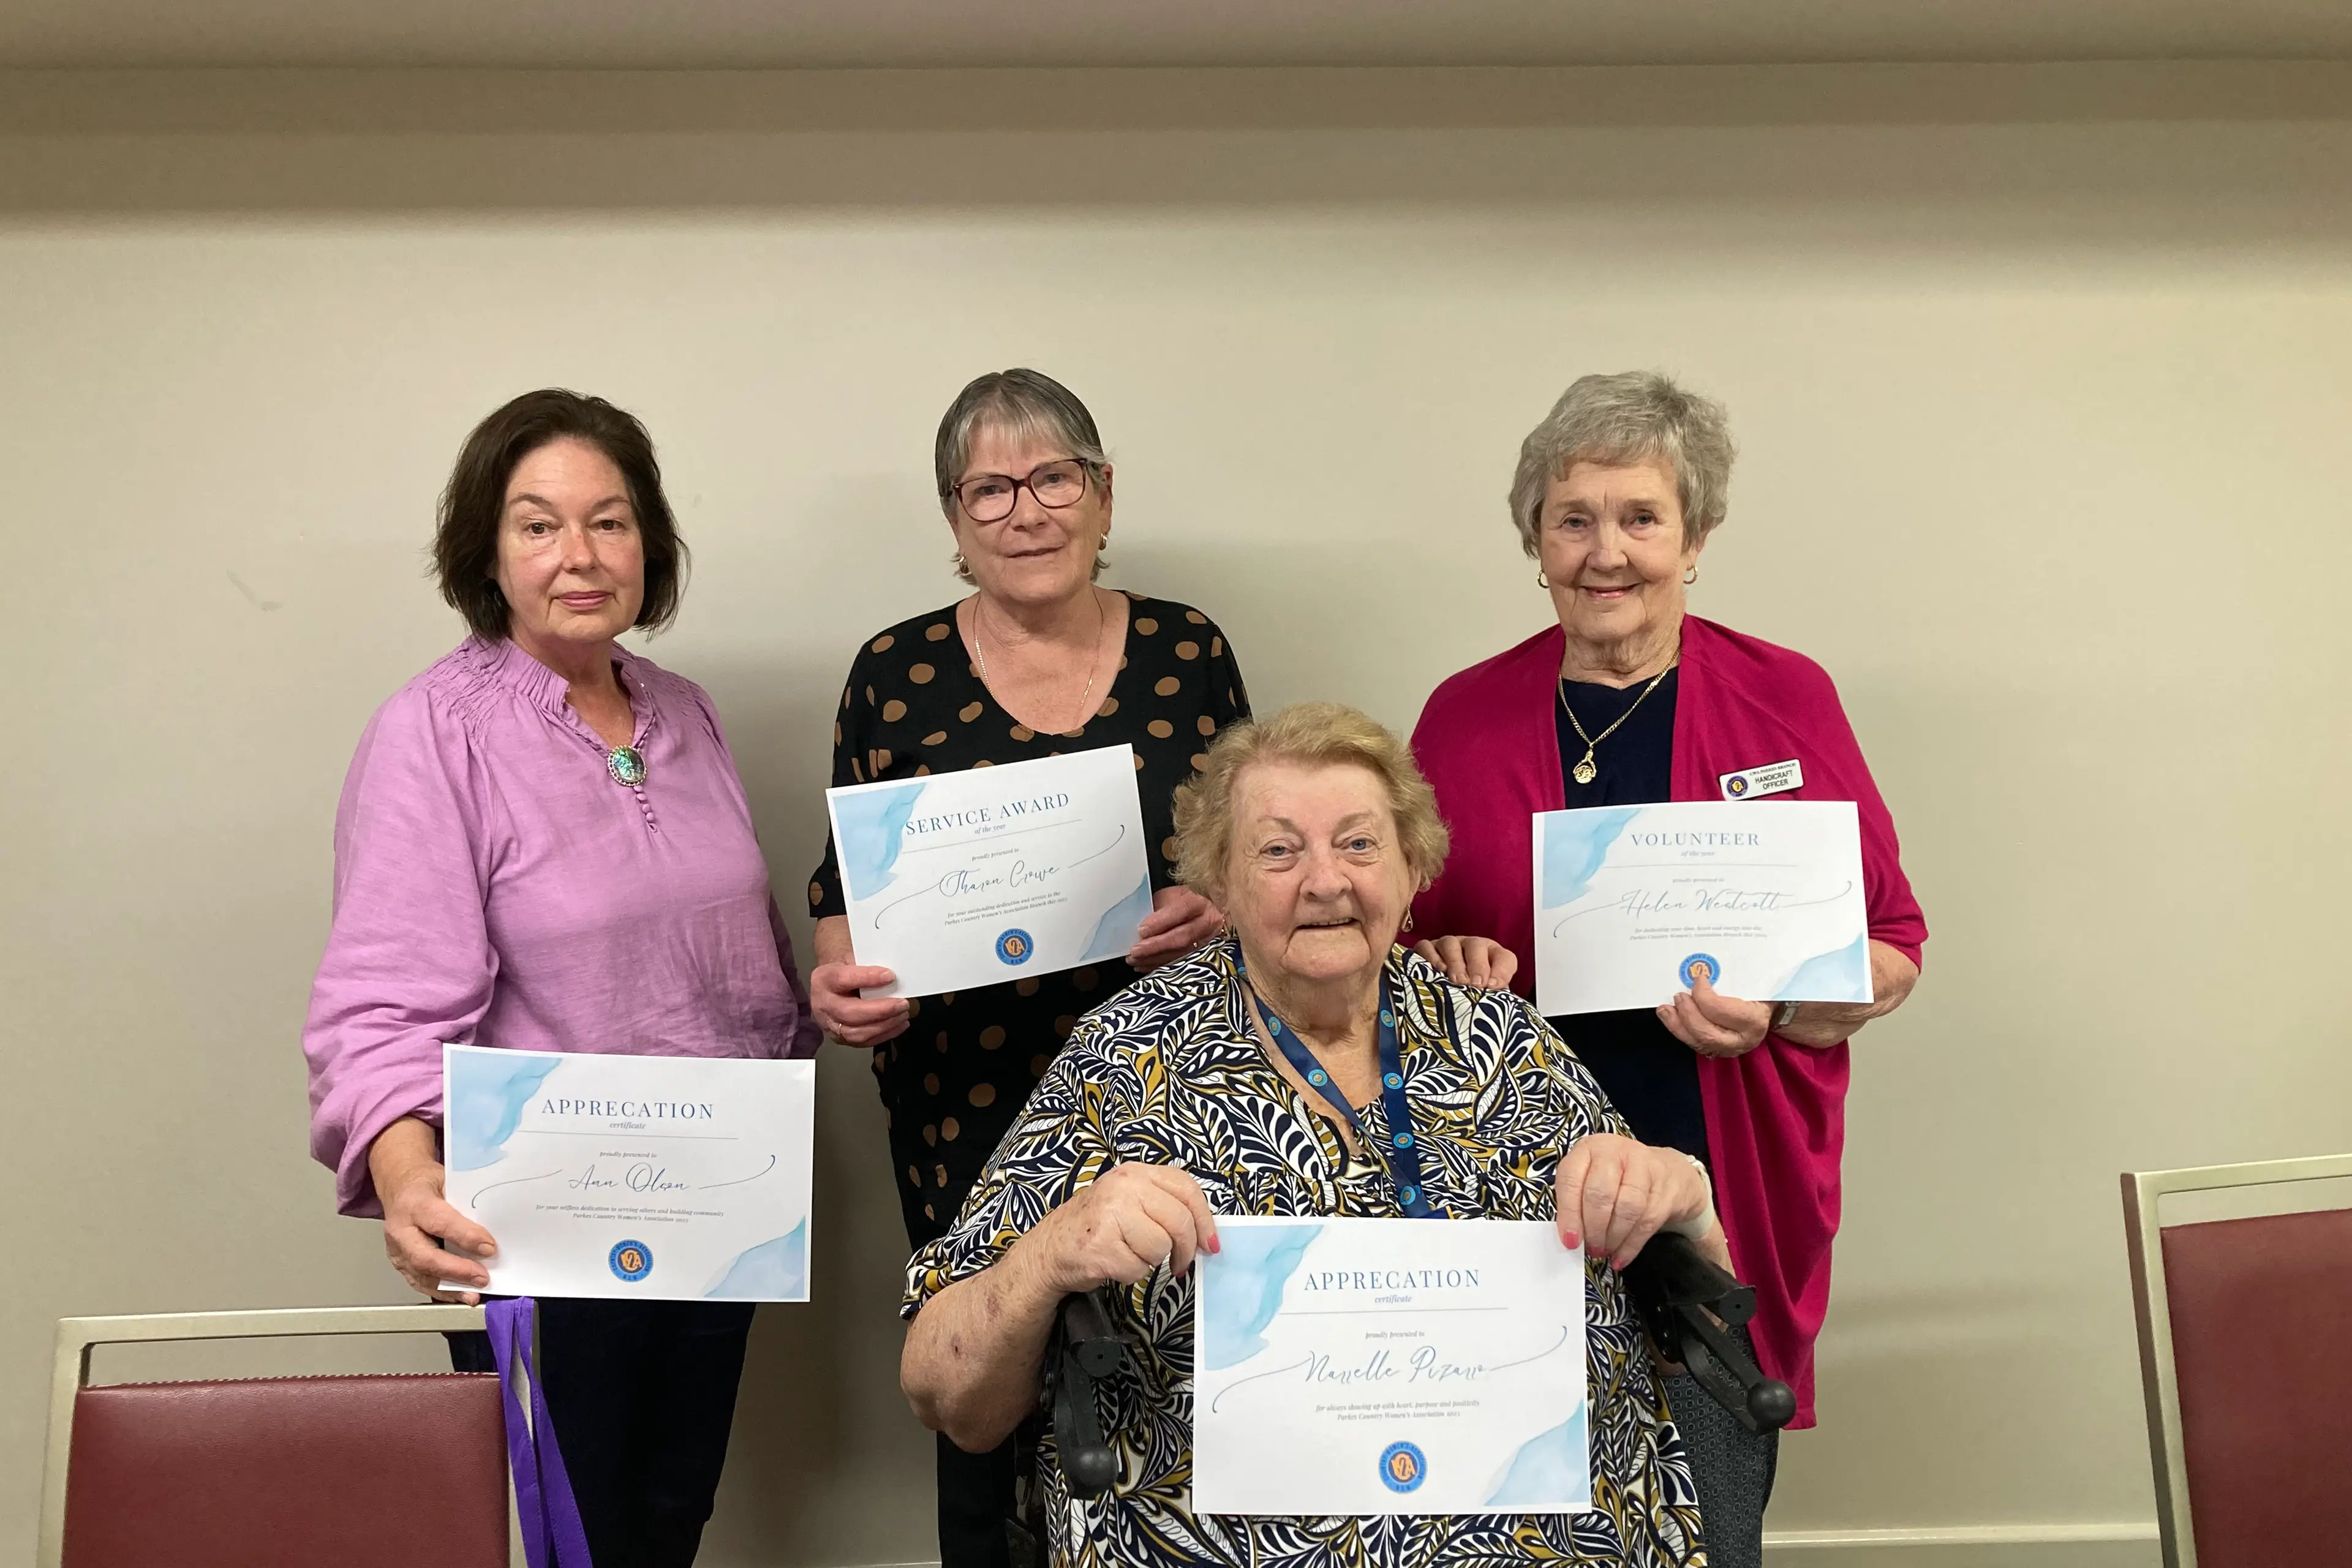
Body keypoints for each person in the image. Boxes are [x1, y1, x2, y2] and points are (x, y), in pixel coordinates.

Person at [900, 703, 1719, 1568]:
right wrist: (1052, 1252)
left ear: (1412, 871)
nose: (1326, 881)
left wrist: (1688, 1207)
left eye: (1360, 845)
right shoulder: (1126, 1056)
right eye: (1279, 850)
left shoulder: (1505, 1041)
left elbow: (1694, 1332)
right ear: (1222, 880)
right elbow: (946, 1395)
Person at [1408, 371, 1928, 1568]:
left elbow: (1893, 941)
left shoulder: (1784, 697)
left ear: (1695, 537)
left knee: (1704, 1510)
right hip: (1513, 1186)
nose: (1608, 551)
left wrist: (1790, 1006)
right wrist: (1440, 962)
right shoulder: (1461, 716)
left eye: (1641, 516)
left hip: (1718, 1172)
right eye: (1573, 516)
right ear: (1534, 538)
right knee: (1510, 1511)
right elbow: (1389, 953)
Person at [303, 389, 820, 1568]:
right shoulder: (433, 732)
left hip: (711, 1216)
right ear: (488, 550)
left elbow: (736, 975)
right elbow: (380, 996)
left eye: (611, 521)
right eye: (539, 525)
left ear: (652, 544)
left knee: (668, 1515)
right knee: (559, 1540)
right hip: (539, 1231)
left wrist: (823, 1014)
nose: (580, 556)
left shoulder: (688, 715)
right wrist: (405, 1177)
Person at [804, 368, 1248, 1568]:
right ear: (954, 521)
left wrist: (1219, 904)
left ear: (1103, 495)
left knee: (1180, 1368)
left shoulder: (1187, 646)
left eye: (1054, 476)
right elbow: (842, 898)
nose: (1026, 508)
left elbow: (1253, 849)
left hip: (1175, 1086)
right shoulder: (892, 670)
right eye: (989, 487)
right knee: (985, 1386)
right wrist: (841, 981)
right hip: (965, 1110)